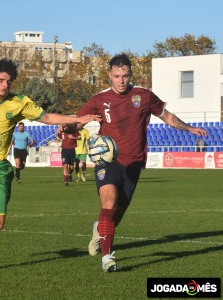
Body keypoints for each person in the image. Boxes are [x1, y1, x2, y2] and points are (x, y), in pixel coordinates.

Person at [0, 59, 101, 274]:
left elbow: (47, 117)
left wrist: (78, 118)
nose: (5, 85)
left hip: (0, 170)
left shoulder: (19, 102)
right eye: (1, 80)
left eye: (9, 81)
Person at [76, 53, 208, 272]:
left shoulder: (143, 96)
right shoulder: (99, 99)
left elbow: (166, 116)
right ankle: (107, 257)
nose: (121, 81)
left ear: (130, 75)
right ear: (109, 75)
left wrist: (190, 128)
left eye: (125, 76)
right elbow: (78, 121)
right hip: (107, 161)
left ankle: (99, 229)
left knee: (115, 215)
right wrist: (68, 127)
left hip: (134, 163)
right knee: (108, 202)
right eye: (117, 76)